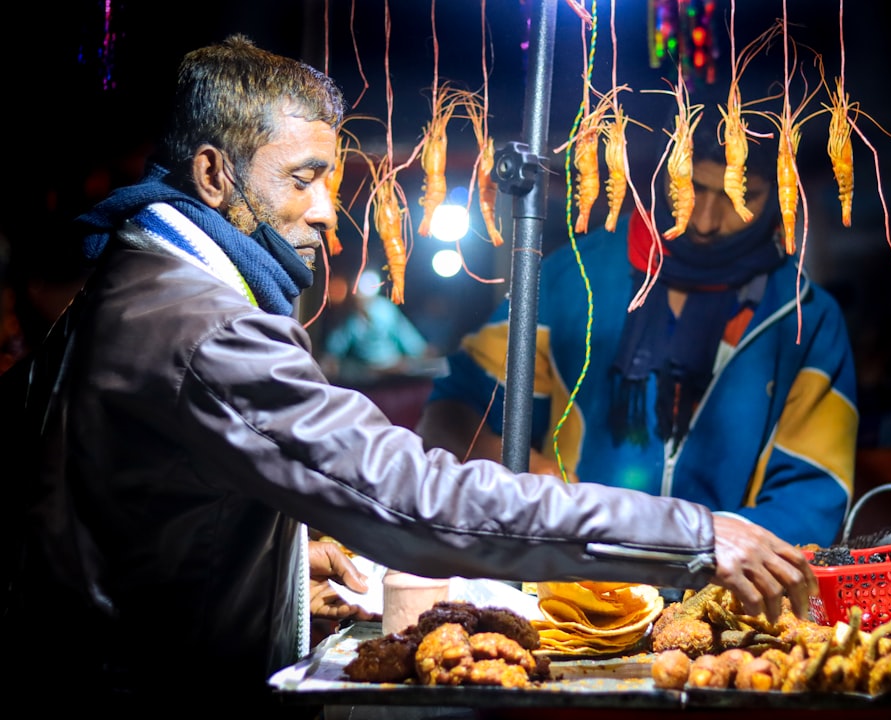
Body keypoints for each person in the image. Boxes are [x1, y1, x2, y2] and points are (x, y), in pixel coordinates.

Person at [0, 35, 817, 720]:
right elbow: (413, 498)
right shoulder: (205, 327)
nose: (326, 211)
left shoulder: (131, 279)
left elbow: (114, 501)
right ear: (214, 176)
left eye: (331, 179)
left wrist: (283, 556)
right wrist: (691, 535)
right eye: (301, 178)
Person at [416, 103, 859, 550]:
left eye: (737, 197)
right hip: (569, 579)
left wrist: (699, 555)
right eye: (689, 187)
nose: (703, 221)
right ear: (663, 171)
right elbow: (454, 410)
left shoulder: (807, 318)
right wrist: (534, 482)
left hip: (724, 599)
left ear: (780, 192)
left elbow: (813, 494)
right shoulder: (572, 276)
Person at [318, 274, 434, 383]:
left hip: (392, 365)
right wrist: (330, 359)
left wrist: (420, 350)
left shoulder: (385, 310)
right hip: (366, 370)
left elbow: (405, 334)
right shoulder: (352, 318)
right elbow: (337, 343)